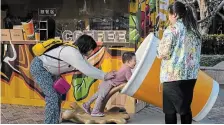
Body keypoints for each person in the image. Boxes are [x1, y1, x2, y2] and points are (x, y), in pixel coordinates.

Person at [30, 17, 115, 124]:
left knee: (57, 96)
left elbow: (88, 67)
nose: (91, 52)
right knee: (51, 97)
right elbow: (86, 70)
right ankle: (49, 123)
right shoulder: (72, 52)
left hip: (50, 70)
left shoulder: (77, 53)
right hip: (40, 68)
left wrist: (105, 75)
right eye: (91, 49)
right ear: (86, 47)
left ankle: (55, 121)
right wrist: (105, 75)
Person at [157, 1, 201, 124]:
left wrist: (157, 47)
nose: (168, 18)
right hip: (191, 76)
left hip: (172, 76)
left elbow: (162, 53)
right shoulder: (194, 32)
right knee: (185, 109)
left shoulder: (172, 30)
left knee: (170, 111)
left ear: (175, 14)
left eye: (169, 15)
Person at [82, 52, 136, 117]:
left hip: (107, 82)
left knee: (97, 94)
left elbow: (121, 78)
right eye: (134, 61)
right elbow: (130, 80)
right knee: (101, 96)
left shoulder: (124, 66)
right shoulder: (127, 69)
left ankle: (86, 105)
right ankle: (95, 111)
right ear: (128, 62)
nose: (135, 63)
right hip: (109, 83)